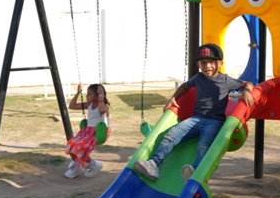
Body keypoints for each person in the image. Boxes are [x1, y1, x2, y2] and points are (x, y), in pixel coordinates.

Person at [135, 43, 254, 182]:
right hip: (195, 119)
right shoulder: (198, 78)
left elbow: (247, 84)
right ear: (199, 64)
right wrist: (173, 98)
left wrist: (246, 91)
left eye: (212, 62)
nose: (207, 66)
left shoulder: (225, 80)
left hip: (214, 121)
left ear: (220, 63)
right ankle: (154, 164)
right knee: (170, 135)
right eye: (203, 63)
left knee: (204, 145)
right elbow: (184, 86)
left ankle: (196, 171)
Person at [64, 83, 110, 178]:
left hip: (98, 132)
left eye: (89, 94)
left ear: (97, 96)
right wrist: (78, 92)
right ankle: (79, 164)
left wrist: (101, 95)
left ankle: (92, 165)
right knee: (70, 144)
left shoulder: (104, 106)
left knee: (80, 148)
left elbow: (102, 110)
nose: (86, 96)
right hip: (87, 131)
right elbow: (72, 106)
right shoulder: (89, 105)